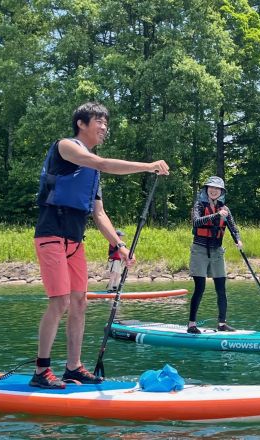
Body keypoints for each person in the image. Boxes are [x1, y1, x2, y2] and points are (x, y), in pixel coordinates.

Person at [31, 102, 169, 389]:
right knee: (60, 301)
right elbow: (103, 163)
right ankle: (41, 371)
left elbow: (99, 213)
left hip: (74, 240)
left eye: (107, 123)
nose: (105, 127)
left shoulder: (92, 173)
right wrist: (148, 166)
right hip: (51, 234)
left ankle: (73, 367)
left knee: (80, 301)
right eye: (99, 121)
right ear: (81, 123)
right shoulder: (66, 147)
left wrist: (119, 244)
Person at [187, 176, 243, 334]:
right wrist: (217, 216)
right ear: (206, 190)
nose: (214, 190)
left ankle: (222, 324)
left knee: (221, 289)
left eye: (217, 188)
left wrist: (238, 240)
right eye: (211, 188)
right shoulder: (199, 205)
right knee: (200, 288)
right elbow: (196, 222)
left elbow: (233, 227)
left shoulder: (225, 208)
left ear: (221, 192)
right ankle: (191, 325)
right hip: (199, 249)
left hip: (217, 251)